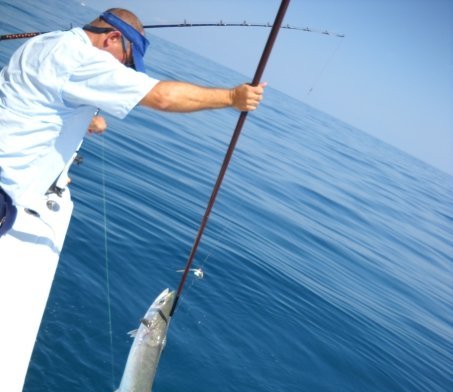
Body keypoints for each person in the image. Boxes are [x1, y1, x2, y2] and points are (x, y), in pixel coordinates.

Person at [0, 8, 265, 237]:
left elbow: (36, 101)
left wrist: (86, 120)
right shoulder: (84, 58)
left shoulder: (48, 42)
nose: (123, 70)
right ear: (113, 38)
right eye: (126, 62)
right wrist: (232, 97)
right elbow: (162, 98)